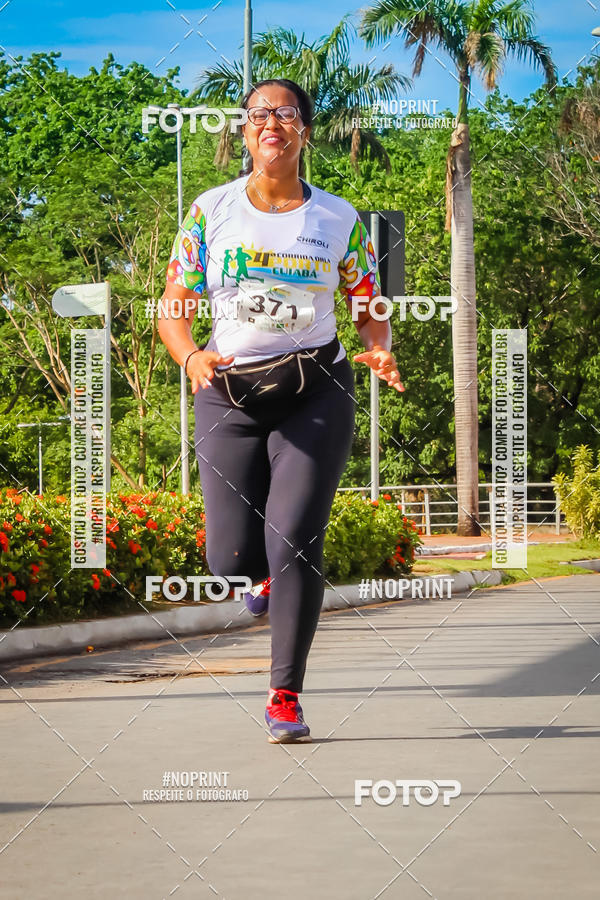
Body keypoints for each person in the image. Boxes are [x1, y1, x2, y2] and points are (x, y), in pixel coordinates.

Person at [159, 78, 404, 744]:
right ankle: (257, 577)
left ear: (304, 131)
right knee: (229, 557)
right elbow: (173, 306)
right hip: (229, 392)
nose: (272, 123)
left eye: (286, 114)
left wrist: (379, 347)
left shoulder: (338, 219)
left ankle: (285, 693)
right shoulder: (210, 212)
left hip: (315, 389)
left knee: (295, 535)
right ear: (244, 132)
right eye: (259, 115)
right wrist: (189, 356)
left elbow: (367, 304)